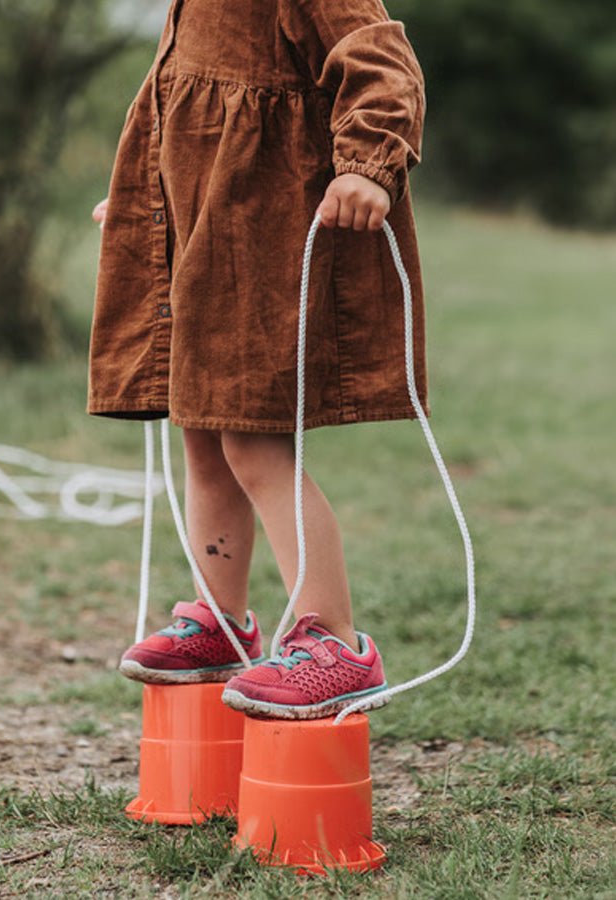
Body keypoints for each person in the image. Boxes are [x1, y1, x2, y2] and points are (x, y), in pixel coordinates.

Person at [87, 0, 427, 719]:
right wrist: (143, 193)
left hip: (266, 245)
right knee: (204, 434)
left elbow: (383, 62)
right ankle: (221, 618)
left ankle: (335, 639)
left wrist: (367, 165)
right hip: (205, 246)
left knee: (252, 442)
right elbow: (187, 116)